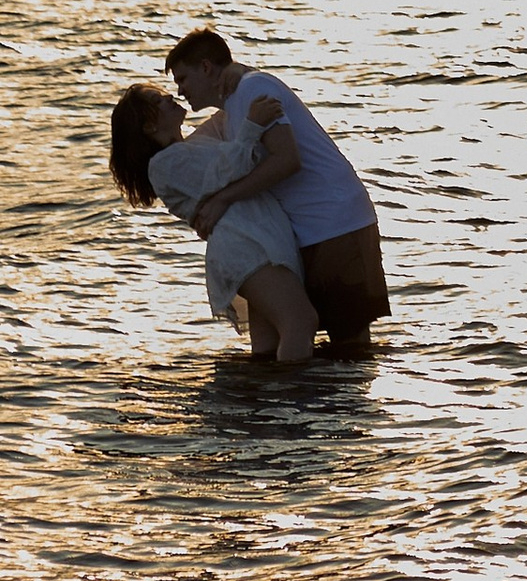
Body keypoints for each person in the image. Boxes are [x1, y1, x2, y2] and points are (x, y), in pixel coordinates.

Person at [162, 28, 392, 358]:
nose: (181, 92)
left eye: (183, 79)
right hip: (313, 228)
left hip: (335, 221)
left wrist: (224, 199)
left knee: (351, 346)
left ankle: (343, 408)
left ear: (207, 68)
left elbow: (287, 160)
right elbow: (189, 156)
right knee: (332, 347)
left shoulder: (252, 91)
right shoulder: (233, 108)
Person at [108, 82, 322, 365]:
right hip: (246, 247)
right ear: (148, 125)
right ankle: (298, 401)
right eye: (158, 100)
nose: (170, 97)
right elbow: (230, 168)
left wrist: (235, 85)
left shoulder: (193, 145)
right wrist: (252, 126)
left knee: (268, 343)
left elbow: (227, 118)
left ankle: (266, 403)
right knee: (300, 321)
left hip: (258, 239)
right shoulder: (163, 165)